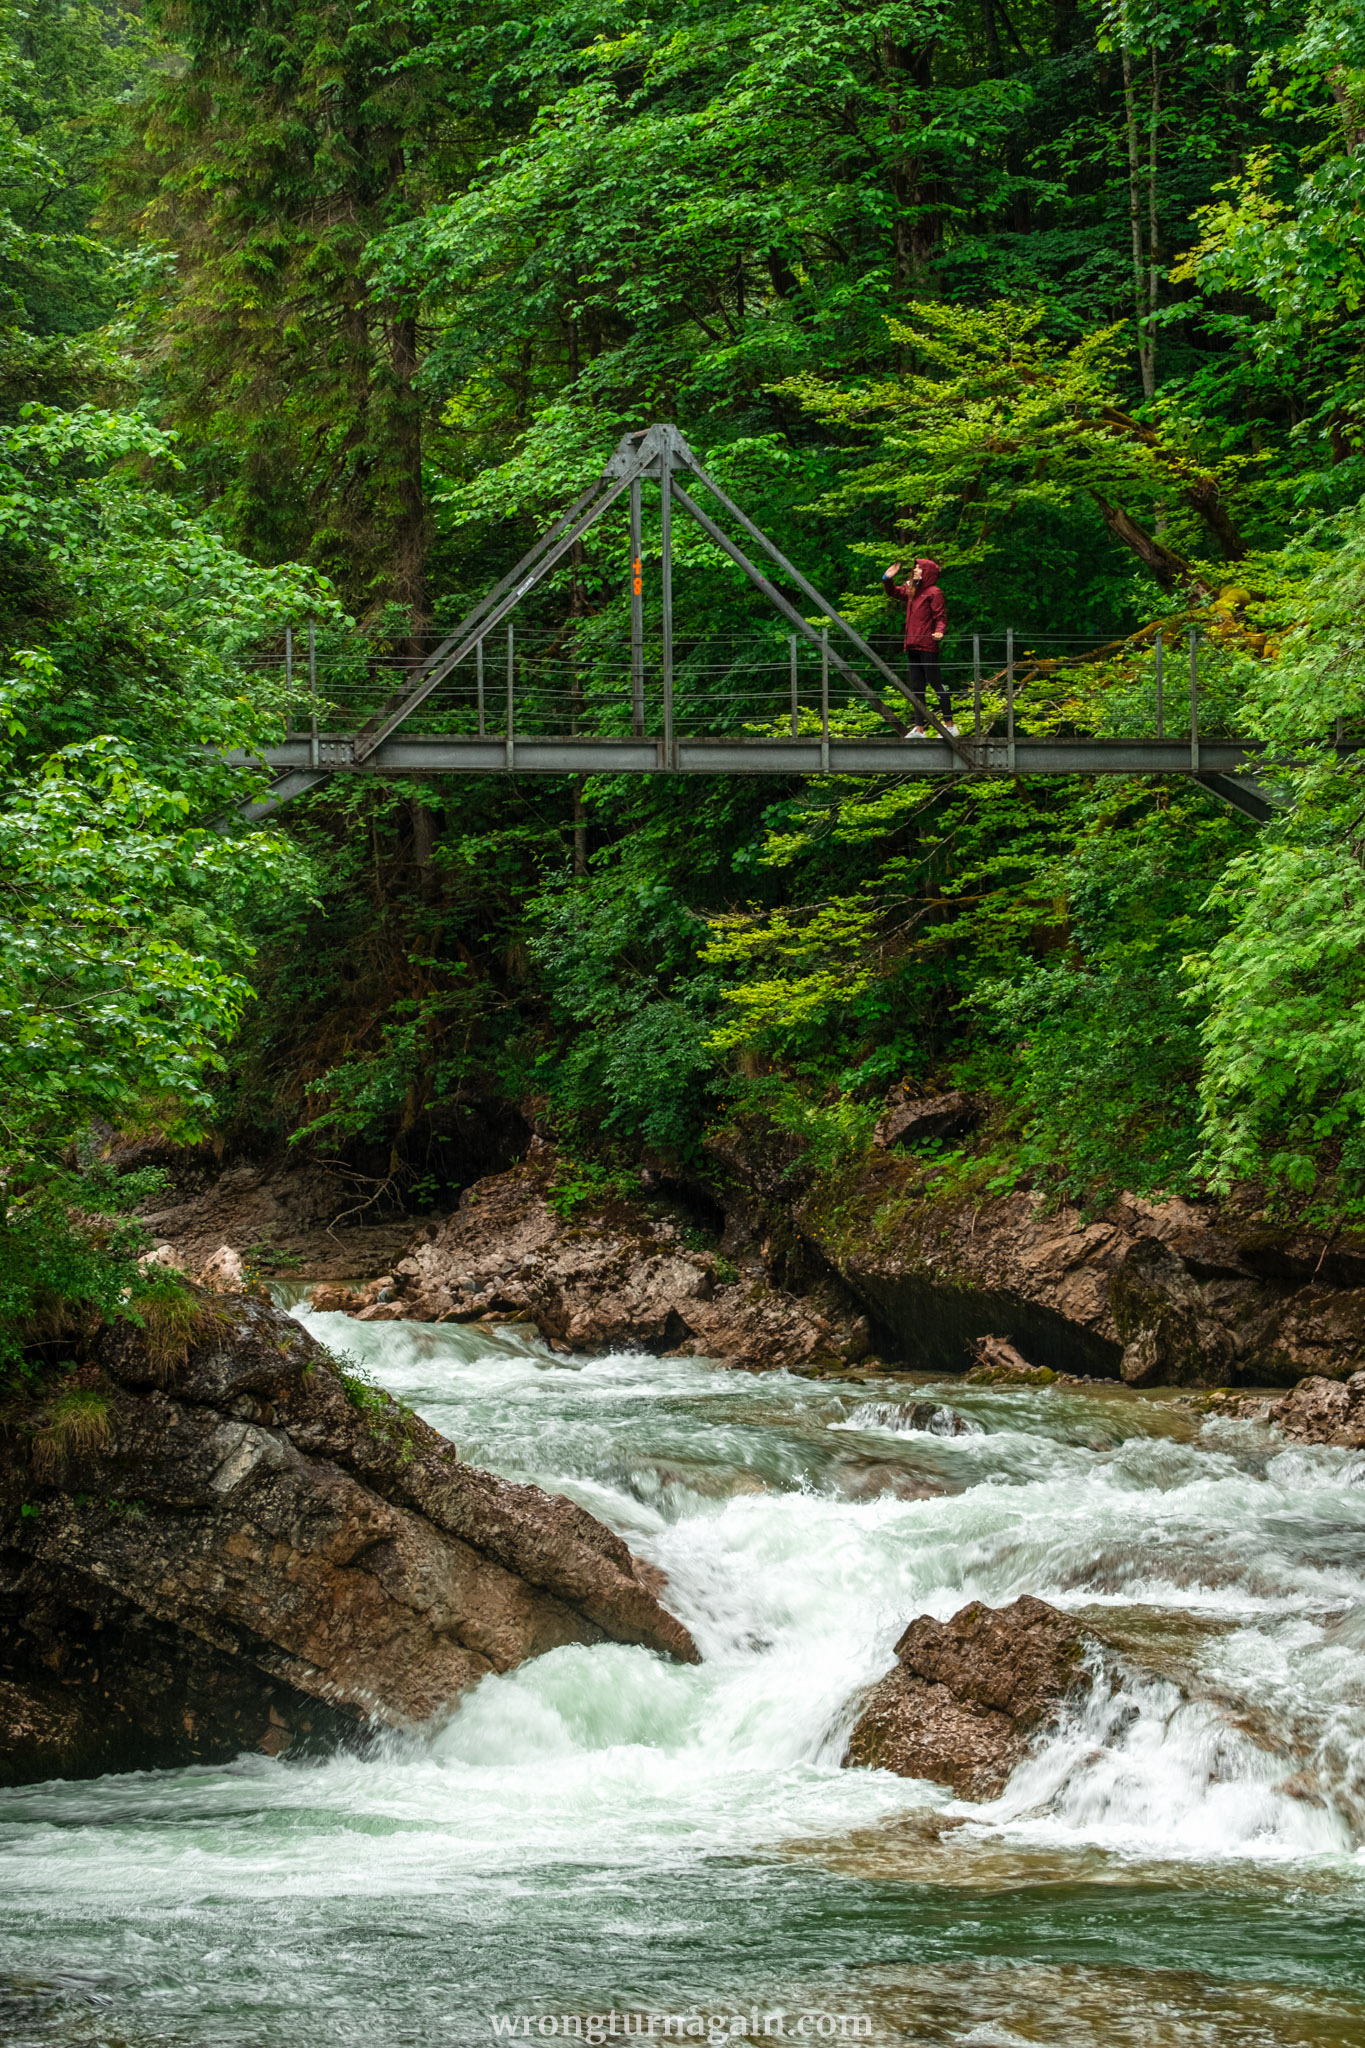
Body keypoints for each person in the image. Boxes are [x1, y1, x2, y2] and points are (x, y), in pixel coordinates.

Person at [883, 558, 957, 736]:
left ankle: (950, 725)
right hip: (912, 644)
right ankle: (919, 727)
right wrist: (887, 578)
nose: (915, 571)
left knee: (935, 682)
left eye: (919, 569)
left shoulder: (934, 592)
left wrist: (939, 632)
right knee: (917, 686)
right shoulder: (912, 591)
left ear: (927, 572)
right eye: (915, 568)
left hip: (927, 644)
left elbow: (941, 617)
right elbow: (893, 591)